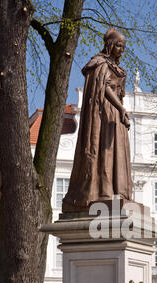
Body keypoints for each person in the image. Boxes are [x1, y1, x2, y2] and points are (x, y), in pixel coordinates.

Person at [62, 28, 133, 212]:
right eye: (118, 45)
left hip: (115, 117)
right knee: (103, 153)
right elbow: (104, 88)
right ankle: (103, 192)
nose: (121, 50)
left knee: (116, 152)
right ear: (109, 45)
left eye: (123, 47)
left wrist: (120, 110)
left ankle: (117, 191)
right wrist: (121, 108)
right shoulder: (100, 64)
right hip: (103, 115)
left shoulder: (118, 68)